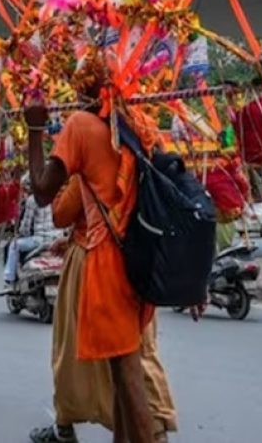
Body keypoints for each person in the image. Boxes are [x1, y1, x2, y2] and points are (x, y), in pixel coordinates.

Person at [25, 69, 156, 443]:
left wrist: (35, 129)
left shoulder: (81, 125)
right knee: (119, 373)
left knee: (129, 376)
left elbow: (41, 192)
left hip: (106, 261)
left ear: (82, 92)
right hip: (136, 261)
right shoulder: (132, 124)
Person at [30, 175, 177, 443]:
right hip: (138, 263)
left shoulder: (88, 148)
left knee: (91, 356)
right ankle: (154, 426)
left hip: (98, 264)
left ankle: (152, 429)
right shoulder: (145, 148)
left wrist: (61, 178)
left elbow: (59, 211)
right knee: (138, 354)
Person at [3, 179, 59, 285]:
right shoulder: (58, 197)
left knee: (14, 246)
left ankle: (9, 278)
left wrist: (21, 234)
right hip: (57, 238)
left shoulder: (33, 200)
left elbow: (26, 227)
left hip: (39, 240)